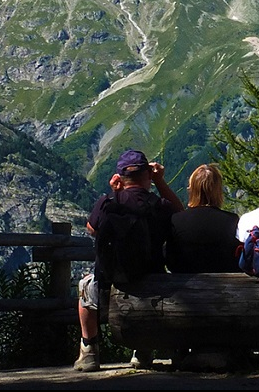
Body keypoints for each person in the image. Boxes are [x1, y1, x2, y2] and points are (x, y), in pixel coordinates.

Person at [73, 149, 184, 373]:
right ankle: (143, 350)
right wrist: (160, 181)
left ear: (119, 177)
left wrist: (115, 193)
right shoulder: (159, 205)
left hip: (111, 279)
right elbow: (180, 213)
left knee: (86, 286)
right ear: (147, 175)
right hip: (154, 279)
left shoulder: (110, 202)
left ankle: (89, 352)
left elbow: (92, 229)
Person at [165, 164, 240, 273]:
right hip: (225, 285)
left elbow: (171, 261)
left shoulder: (176, 220)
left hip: (184, 285)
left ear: (191, 189)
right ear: (218, 190)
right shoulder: (232, 220)